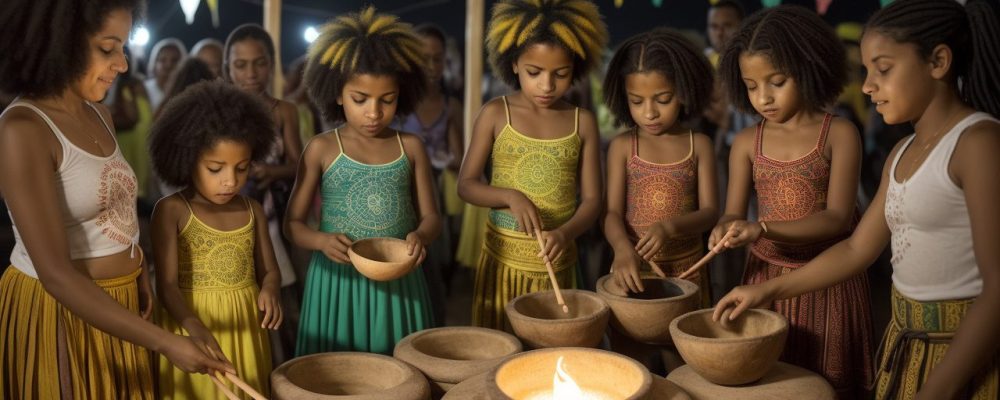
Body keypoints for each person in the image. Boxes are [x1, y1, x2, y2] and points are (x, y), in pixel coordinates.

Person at [714, 1, 1000, 399]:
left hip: (962, 354)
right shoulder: (902, 152)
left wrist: (938, 388)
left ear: (938, 61)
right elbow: (854, 249)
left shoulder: (980, 143)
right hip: (909, 342)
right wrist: (765, 291)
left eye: (882, 70)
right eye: (867, 72)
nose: (866, 86)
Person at [0, 2, 231, 398]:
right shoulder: (23, 128)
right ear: (60, 45)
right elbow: (55, 274)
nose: (122, 64)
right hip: (65, 311)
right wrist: (165, 341)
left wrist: (138, 266)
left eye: (123, 48)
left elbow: (115, 206)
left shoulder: (100, 114)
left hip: (124, 303)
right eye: (108, 49)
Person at [709, 5, 876, 398]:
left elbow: (837, 219)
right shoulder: (747, 142)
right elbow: (734, 211)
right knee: (773, 382)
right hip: (763, 276)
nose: (762, 97)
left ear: (807, 67)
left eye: (776, 81)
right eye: (750, 86)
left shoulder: (839, 134)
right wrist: (727, 226)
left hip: (829, 279)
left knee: (829, 384)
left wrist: (763, 227)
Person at [287, 7, 440, 355]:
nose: (374, 112)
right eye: (360, 99)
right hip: (337, 280)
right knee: (339, 370)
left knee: (400, 370)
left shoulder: (410, 147)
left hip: (399, 275)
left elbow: (431, 217)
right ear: (338, 93)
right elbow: (292, 225)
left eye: (387, 100)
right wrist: (321, 241)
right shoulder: (322, 148)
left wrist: (422, 235)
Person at [457, 0, 607, 330]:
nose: (547, 85)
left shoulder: (582, 122)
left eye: (561, 74)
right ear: (513, 64)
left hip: (560, 260)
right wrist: (509, 196)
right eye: (534, 73)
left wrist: (566, 233)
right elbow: (466, 185)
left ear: (576, 68)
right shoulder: (496, 114)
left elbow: (594, 200)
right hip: (504, 261)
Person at [150, 80, 282, 399]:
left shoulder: (252, 211)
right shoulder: (172, 210)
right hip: (193, 326)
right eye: (215, 168)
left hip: (247, 327)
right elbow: (166, 285)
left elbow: (270, 271)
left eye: (242, 168)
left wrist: (269, 289)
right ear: (187, 160)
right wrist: (191, 324)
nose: (230, 181)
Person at [602, 28, 717, 304]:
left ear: (684, 91)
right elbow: (612, 214)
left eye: (663, 99)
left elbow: (711, 212)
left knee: (684, 342)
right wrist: (621, 247)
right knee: (630, 342)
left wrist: (670, 227)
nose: (650, 112)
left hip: (687, 270)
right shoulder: (623, 146)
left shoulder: (698, 144)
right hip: (633, 268)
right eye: (636, 102)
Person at [223, 23, 302, 361]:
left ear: (272, 63)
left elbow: (301, 164)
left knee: (281, 302)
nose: (251, 73)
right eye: (241, 65)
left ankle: (282, 370)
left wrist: (273, 171)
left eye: (259, 63)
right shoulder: (220, 111)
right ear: (227, 67)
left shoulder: (283, 111)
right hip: (228, 221)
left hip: (273, 218)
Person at [392, 23, 465, 325]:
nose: (432, 66)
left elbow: (460, 155)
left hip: (438, 190)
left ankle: (432, 318)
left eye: (438, 58)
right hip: (400, 191)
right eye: (424, 58)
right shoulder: (393, 103)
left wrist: (447, 160)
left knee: (437, 254)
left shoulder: (451, 106)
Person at [144, 38, 187, 111]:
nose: (168, 65)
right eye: (162, 60)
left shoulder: (188, 90)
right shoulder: (143, 89)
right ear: (154, 63)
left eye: (175, 60)